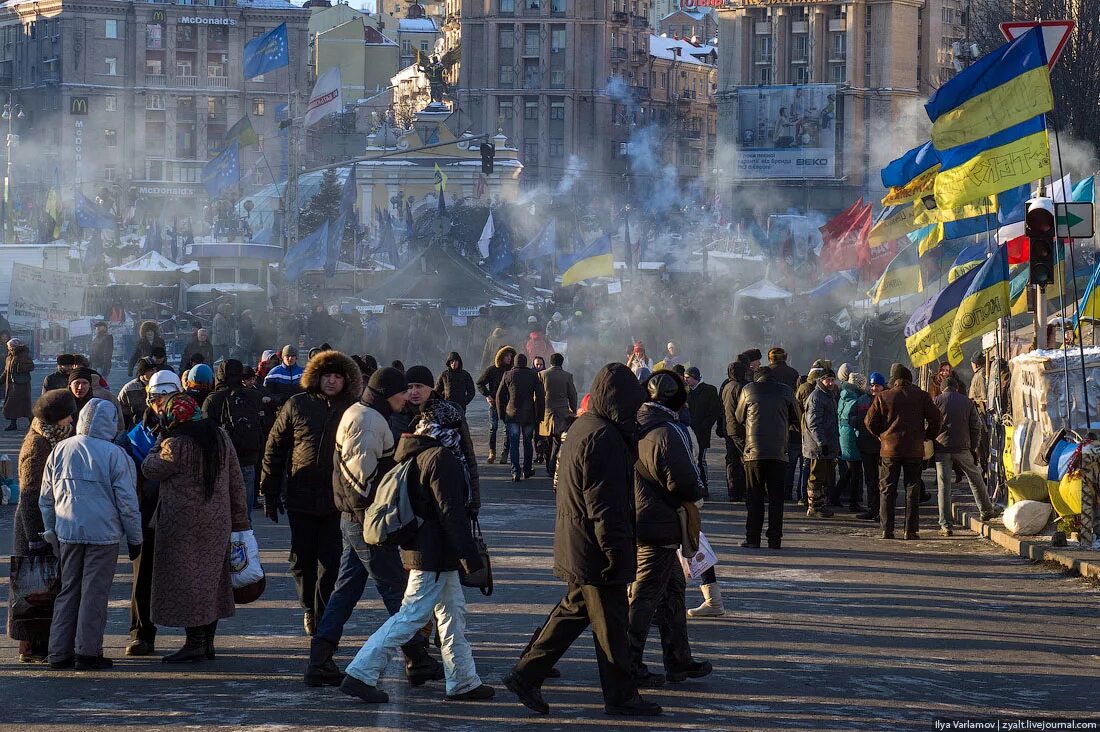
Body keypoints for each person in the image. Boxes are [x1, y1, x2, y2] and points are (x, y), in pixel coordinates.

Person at [503, 364, 661, 718]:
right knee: (612, 626)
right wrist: (614, 551)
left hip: (579, 541)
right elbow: (604, 504)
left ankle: (526, 675)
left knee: (574, 611)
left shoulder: (586, 427)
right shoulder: (604, 437)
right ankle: (620, 696)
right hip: (596, 546)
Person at [340, 399, 493, 704]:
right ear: (447, 428)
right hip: (434, 555)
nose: (460, 434)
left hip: (429, 552)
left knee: (452, 616)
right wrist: (470, 558)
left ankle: (463, 681)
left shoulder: (418, 452)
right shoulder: (441, 458)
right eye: (456, 428)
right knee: (410, 617)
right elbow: (451, 514)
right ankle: (360, 673)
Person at [305, 367, 444, 688]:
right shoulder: (368, 421)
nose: (405, 397)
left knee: (347, 590)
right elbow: (358, 481)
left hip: (356, 520)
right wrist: (379, 518)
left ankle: (320, 659)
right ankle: (418, 658)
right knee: (395, 590)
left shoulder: (364, 413)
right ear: (387, 394)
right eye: (400, 392)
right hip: (364, 521)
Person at [142, 392, 249, 663]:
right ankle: (208, 642)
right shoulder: (220, 436)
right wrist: (240, 519)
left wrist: (158, 441)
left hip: (183, 525)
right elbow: (236, 480)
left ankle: (195, 643)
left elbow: (149, 469)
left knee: (189, 583)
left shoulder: (175, 444)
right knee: (212, 580)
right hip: (217, 521)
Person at [261, 350, 362, 636]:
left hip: (337, 500)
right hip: (301, 496)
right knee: (301, 560)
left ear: (346, 380)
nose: (331, 381)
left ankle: (322, 614)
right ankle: (309, 608)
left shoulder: (353, 409)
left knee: (330, 562)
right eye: (327, 375)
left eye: (337, 376)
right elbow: (275, 448)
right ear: (316, 377)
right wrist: (268, 491)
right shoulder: (297, 404)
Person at [40, 398, 142, 670]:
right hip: (104, 534)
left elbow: (46, 498)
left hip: (67, 531)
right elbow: (127, 503)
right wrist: (135, 538)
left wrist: (51, 530)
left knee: (68, 590)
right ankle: (87, 650)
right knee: (94, 593)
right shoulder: (115, 454)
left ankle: (58, 651)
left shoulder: (60, 449)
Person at [628, 371, 710, 688]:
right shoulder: (668, 431)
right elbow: (686, 482)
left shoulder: (633, 424)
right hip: (657, 525)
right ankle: (629, 664)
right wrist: (698, 492)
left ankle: (678, 660)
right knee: (644, 599)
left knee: (673, 590)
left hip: (640, 519)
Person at [115, 369, 182, 657]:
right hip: (145, 514)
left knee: (194, 574)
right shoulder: (134, 436)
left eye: (166, 395)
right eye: (155, 396)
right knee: (142, 576)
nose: (160, 402)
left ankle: (200, 637)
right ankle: (141, 634)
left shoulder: (194, 429)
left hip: (185, 513)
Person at [8, 390, 76, 663]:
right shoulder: (37, 445)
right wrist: (37, 538)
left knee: (42, 587)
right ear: (56, 417)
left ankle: (38, 643)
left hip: (44, 524)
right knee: (32, 588)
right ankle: (30, 646)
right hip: (32, 527)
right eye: (68, 414)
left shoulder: (51, 438)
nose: (71, 420)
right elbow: (28, 496)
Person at [865, 363, 942, 540]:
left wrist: (881, 435)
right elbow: (936, 418)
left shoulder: (883, 396)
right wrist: (928, 436)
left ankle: (887, 529)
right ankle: (911, 530)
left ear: (894, 380)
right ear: (909, 379)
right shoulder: (921, 396)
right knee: (912, 488)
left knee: (887, 489)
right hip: (914, 449)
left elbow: (869, 421)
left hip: (889, 450)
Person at [735, 365, 800, 549]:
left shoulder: (748, 390)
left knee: (754, 496)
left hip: (753, 453)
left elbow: (739, 416)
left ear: (757, 378)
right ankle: (774, 539)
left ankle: (753, 538)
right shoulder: (786, 391)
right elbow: (797, 416)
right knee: (776, 499)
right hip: (779, 452)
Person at [933, 375, 998, 536]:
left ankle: (946, 525)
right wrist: (973, 447)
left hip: (942, 449)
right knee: (975, 478)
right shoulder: (967, 402)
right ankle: (986, 510)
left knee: (943, 486)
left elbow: (930, 424)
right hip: (962, 448)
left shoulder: (936, 401)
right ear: (956, 388)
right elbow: (976, 426)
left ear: (942, 388)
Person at [202, 360, 264, 522]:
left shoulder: (213, 399)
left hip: (222, 461)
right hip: (248, 459)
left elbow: (206, 432)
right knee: (244, 511)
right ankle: (245, 537)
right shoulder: (250, 395)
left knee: (224, 512)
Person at [496, 353, 545, 482]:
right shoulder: (533, 375)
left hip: (512, 414)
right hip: (529, 414)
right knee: (528, 443)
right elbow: (540, 396)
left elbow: (499, 396)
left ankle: (515, 471)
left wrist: (501, 413)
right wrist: (540, 415)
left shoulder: (507, 374)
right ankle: (527, 470)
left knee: (514, 443)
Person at [803, 369, 840, 518]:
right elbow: (814, 424)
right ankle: (814, 506)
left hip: (827, 444)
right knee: (816, 477)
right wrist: (821, 442)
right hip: (817, 447)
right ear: (821, 380)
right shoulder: (817, 397)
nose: (830, 383)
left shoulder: (829, 395)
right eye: (827, 380)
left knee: (824, 477)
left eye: (832, 380)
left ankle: (821, 504)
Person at [851, 372, 884, 522]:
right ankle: (873, 509)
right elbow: (852, 418)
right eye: (872, 385)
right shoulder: (862, 400)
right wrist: (861, 425)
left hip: (883, 445)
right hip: (866, 444)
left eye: (877, 385)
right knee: (870, 479)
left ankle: (883, 511)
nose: (874, 388)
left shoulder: (887, 400)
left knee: (884, 480)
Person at [538, 352, 577, 478]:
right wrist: (573, 410)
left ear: (550, 362)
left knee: (548, 440)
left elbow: (537, 395)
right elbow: (572, 395)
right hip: (562, 414)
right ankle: (552, 466)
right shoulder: (567, 376)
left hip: (546, 413)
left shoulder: (542, 374)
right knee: (557, 441)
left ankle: (548, 464)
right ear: (562, 362)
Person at [475, 345, 516, 464]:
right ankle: (492, 452)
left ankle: (505, 453)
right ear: (501, 356)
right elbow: (480, 383)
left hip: (508, 404)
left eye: (510, 356)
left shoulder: (512, 371)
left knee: (507, 430)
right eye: (507, 356)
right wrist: (487, 395)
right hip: (494, 403)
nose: (509, 358)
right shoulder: (492, 370)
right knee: (493, 428)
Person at [684, 366, 720, 497]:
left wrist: (705, 425)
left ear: (695, 377)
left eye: (688, 377)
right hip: (687, 430)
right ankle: (692, 486)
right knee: (688, 459)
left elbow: (715, 410)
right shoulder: (686, 392)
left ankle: (704, 486)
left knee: (701, 459)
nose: (685, 380)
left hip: (701, 432)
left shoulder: (709, 390)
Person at [834, 372, 866, 513]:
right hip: (851, 436)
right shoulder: (855, 401)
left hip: (844, 435)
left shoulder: (844, 396)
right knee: (856, 472)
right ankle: (853, 503)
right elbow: (855, 421)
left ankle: (835, 496)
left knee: (850, 470)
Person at [720, 360, 749, 502]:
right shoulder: (743, 387)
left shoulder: (727, 386)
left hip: (729, 428)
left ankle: (733, 491)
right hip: (741, 428)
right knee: (745, 459)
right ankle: (744, 490)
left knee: (731, 461)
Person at [67, 367, 124, 433]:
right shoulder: (62, 404)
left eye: (84, 383)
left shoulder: (97, 405)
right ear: (70, 385)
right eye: (76, 383)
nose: (80, 387)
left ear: (89, 385)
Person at [4, 337, 34, 431]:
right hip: (12, 385)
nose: (8, 348)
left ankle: (32, 423)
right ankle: (13, 424)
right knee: (11, 405)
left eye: (9, 347)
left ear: (13, 347)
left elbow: (31, 366)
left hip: (22, 385)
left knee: (25, 405)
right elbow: (6, 371)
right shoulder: (9, 357)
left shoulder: (23, 355)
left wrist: (20, 368)